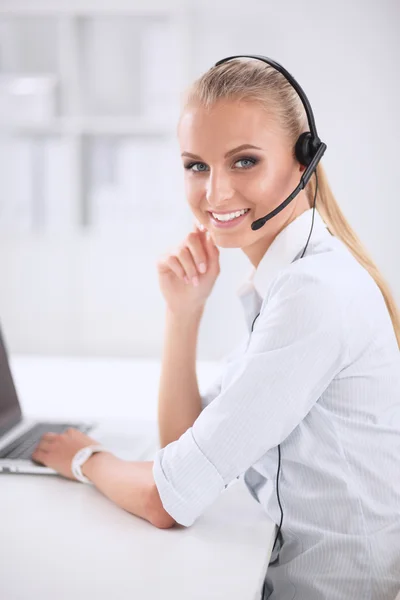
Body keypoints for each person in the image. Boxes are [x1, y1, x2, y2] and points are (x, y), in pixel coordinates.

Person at [32, 57, 400, 599]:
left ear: (304, 161)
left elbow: (167, 500)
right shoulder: (284, 282)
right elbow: (185, 448)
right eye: (196, 165)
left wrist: (85, 460)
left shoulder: (312, 293)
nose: (215, 193)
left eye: (244, 161)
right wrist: (184, 314)